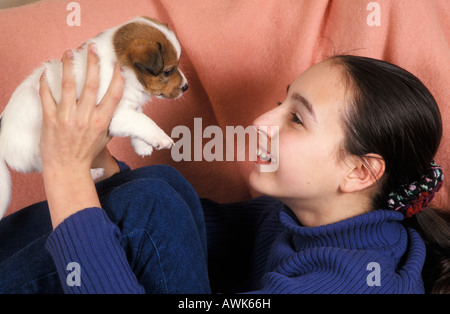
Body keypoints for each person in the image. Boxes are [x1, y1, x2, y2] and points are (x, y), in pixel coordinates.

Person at [0, 46, 449, 293]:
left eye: (295, 119)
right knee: (158, 190)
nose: (259, 123)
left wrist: (65, 172)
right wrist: (93, 158)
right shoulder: (304, 218)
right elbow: (158, 226)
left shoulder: (345, 285)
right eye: (281, 103)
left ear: (359, 172)